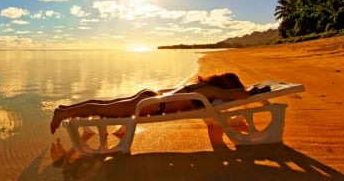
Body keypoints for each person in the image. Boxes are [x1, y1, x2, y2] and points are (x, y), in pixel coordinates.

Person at [50, 72, 250, 134]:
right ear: (225, 86)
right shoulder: (209, 91)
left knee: (104, 104)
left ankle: (65, 109)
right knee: (103, 109)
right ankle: (62, 113)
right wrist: (238, 91)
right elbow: (242, 96)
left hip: (151, 98)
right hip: (151, 104)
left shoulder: (201, 87)